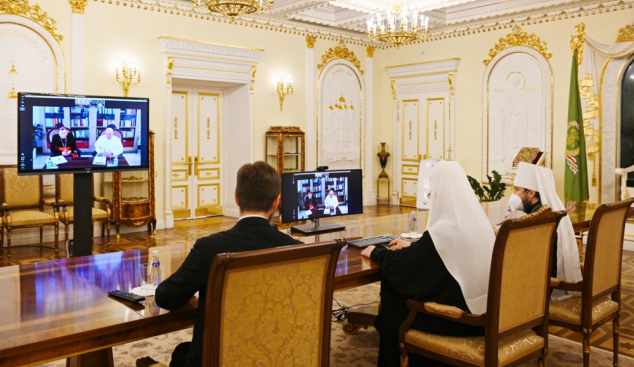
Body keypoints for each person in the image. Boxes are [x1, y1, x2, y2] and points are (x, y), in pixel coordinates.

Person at [155, 161, 303, 367]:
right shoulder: (297, 250)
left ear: (236, 197)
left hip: (219, 359)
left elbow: (165, 297)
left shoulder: (210, 247)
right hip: (278, 355)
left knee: (182, 352)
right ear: (277, 201)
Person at [361, 160, 495, 367]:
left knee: (396, 295)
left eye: (432, 188)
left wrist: (376, 252)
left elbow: (404, 268)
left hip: (460, 321)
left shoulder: (445, 230)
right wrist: (411, 246)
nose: (430, 194)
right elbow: (438, 253)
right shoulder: (478, 223)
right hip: (488, 312)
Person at [506, 162, 583, 300]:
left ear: (531, 193)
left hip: (541, 284)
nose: (514, 194)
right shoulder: (544, 211)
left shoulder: (538, 217)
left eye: (517, 190)